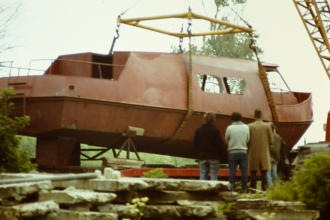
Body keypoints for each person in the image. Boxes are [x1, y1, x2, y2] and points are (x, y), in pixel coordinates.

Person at [194, 112, 226, 180]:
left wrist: (198, 154)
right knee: (213, 174)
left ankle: (202, 189)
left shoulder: (198, 130)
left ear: (204, 119)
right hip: (214, 157)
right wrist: (222, 155)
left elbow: (196, 143)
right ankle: (213, 190)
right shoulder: (215, 130)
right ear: (214, 119)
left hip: (202, 156)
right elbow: (220, 144)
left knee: (203, 173)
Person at [248, 109, 273, 191]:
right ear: (261, 115)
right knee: (264, 173)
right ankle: (264, 190)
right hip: (264, 153)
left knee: (253, 174)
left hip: (253, 152)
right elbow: (271, 141)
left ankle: (252, 190)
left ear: (254, 115)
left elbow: (247, 141)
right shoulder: (267, 126)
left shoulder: (249, 126)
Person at [225, 112, 250, 193]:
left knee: (232, 171)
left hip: (232, 152)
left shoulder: (229, 128)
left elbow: (226, 140)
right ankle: (244, 189)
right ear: (241, 118)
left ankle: (231, 188)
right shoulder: (246, 127)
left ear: (232, 118)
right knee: (244, 172)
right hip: (243, 151)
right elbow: (248, 139)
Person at [267, 123, 290, 187]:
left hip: (268, 156)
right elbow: (283, 147)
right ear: (274, 129)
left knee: (268, 173)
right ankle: (276, 186)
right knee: (274, 173)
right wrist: (285, 158)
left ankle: (270, 187)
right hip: (276, 157)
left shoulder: (267, 136)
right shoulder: (279, 137)